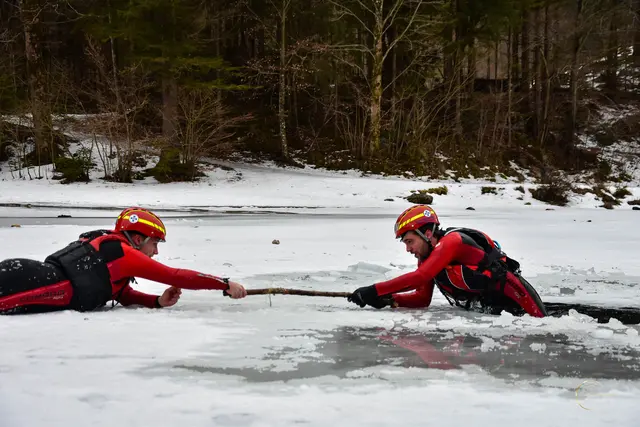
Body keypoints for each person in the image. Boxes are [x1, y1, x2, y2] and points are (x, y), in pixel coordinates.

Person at [0, 207, 247, 314]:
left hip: (27, 275)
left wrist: (157, 302)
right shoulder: (124, 253)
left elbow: (120, 294)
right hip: (29, 281)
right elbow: (174, 276)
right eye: (155, 243)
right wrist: (224, 284)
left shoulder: (112, 250)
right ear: (138, 238)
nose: (156, 252)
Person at [348, 205, 548, 317]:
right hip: (493, 310)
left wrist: (375, 289)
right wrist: (389, 300)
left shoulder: (452, 241)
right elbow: (422, 299)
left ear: (427, 233)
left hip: (517, 294)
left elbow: (420, 277)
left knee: (544, 323)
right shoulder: (427, 256)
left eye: (410, 241)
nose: (408, 249)